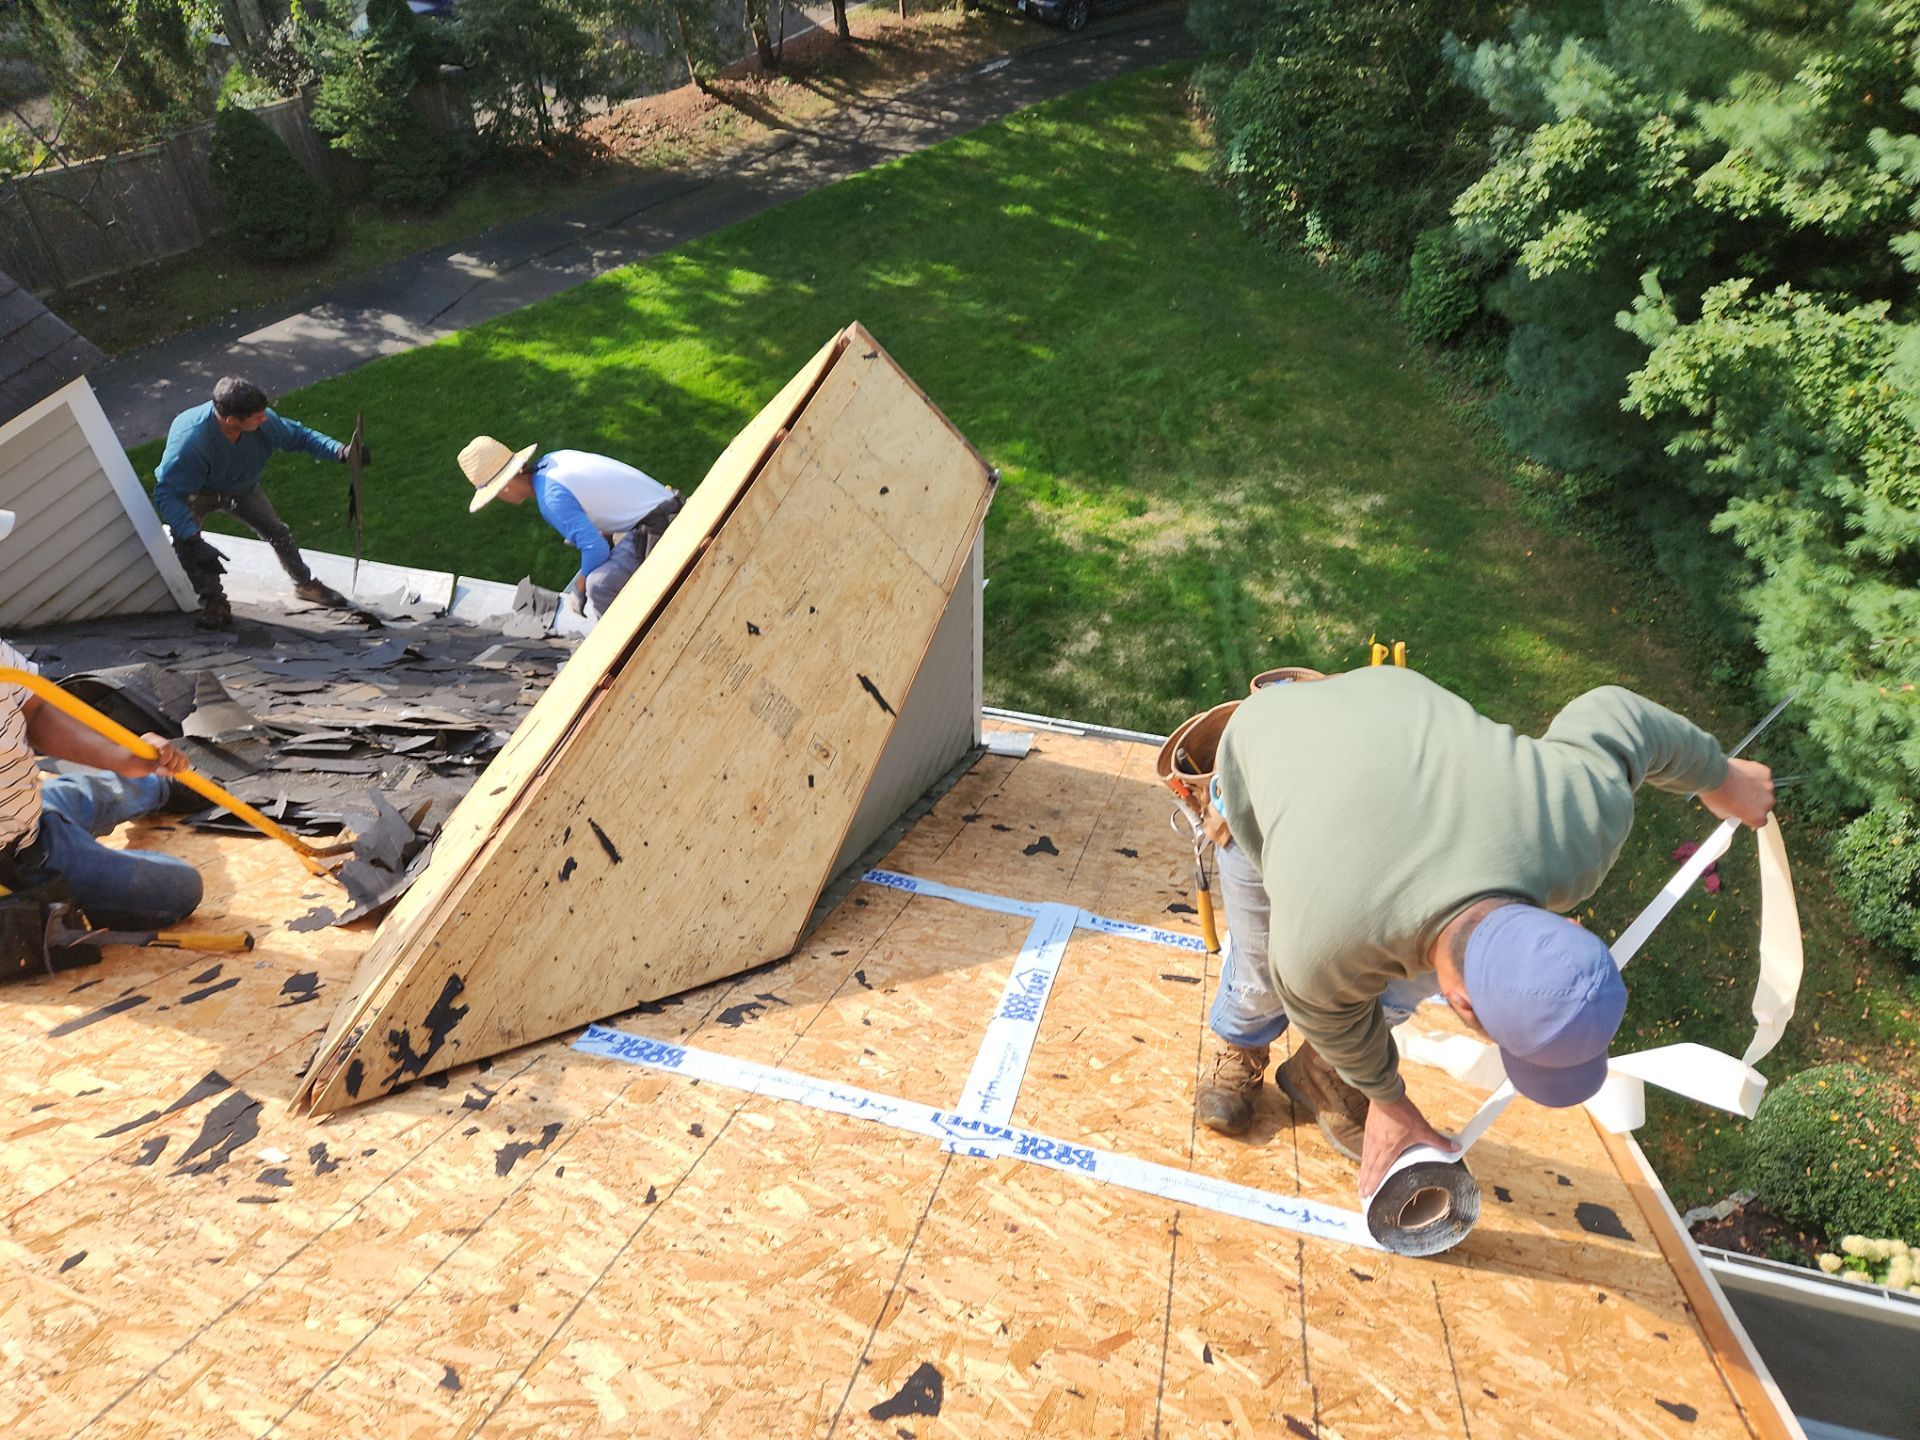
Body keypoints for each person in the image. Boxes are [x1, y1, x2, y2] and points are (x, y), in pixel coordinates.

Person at [1190, 665, 1774, 1199]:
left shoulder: (1578, 827)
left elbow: (1621, 717)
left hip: (1383, 732)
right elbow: (1314, 1001)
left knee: (1402, 975)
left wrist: (1722, 777)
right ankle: (1240, 1048)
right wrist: (1388, 1099)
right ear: (1461, 1005)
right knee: (1263, 976)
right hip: (1269, 752)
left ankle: (1322, 1072)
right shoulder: (1322, 940)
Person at [0, 510, 202, 934]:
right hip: (19, 865)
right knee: (180, 888)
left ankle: (150, 783)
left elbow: (33, 711)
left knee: (112, 784)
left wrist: (120, 754)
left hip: (27, 813)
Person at [153, 376, 361, 629]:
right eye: (258, 416)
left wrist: (340, 452)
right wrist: (193, 538)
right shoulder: (190, 442)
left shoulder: (264, 421)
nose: (265, 418)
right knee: (189, 546)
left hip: (242, 488)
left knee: (277, 532)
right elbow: (167, 492)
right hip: (196, 492)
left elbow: (300, 437)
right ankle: (214, 603)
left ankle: (304, 584)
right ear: (231, 420)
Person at [458, 435, 683, 622]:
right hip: (664, 504)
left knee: (599, 586)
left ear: (505, 487)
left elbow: (596, 550)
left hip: (660, 524)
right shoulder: (553, 460)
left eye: (495, 494)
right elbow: (603, 507)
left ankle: (635, 654)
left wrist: (580, 584)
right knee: (594, 560)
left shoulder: (550, 500)